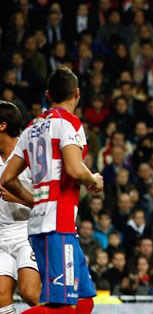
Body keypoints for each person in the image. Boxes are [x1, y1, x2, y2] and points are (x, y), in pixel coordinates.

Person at [1, 65, 104, 314]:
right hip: (57, 225)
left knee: (84, 301)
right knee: (64, 307)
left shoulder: (32, 128)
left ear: (48, 95)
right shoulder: (69, 123)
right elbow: (74, 168)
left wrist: (35, 200)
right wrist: (93, 179)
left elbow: (7, 177)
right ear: (77, 94)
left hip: (48, 224)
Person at [0, 101, 40, 313]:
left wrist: (19, 199)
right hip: (1, 236)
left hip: (27, 232)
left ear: (2, 126)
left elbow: (50, 199)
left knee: (30, 293)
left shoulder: (31, 155)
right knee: (1, 297)